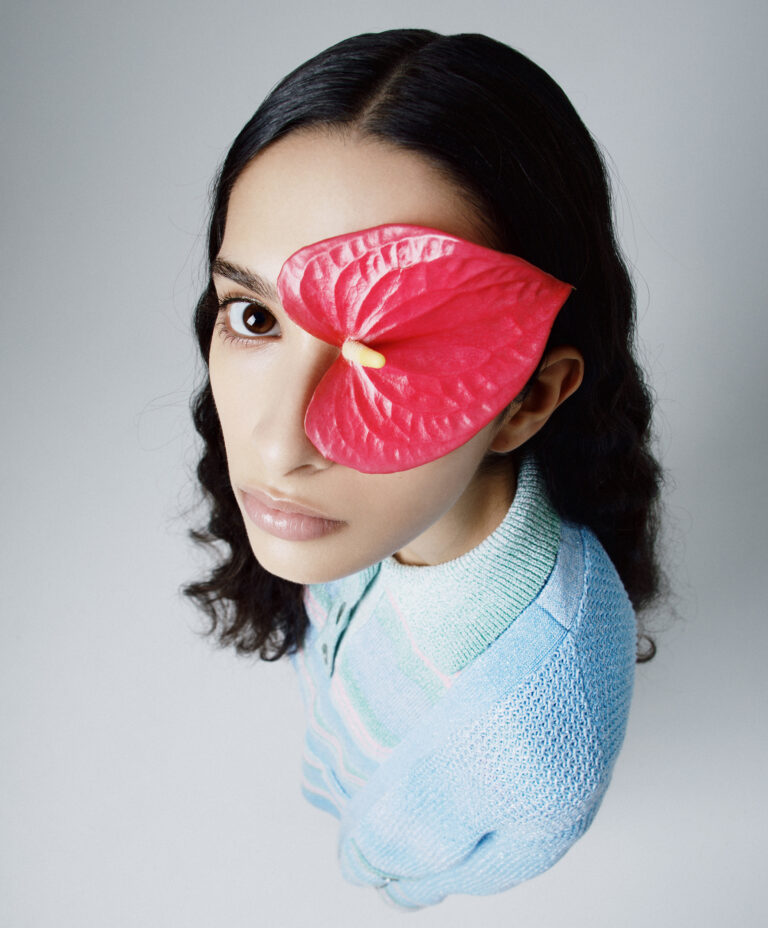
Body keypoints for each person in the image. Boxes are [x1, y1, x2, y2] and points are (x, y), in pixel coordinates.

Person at [184, 29, 665, 910]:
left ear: (526, 400)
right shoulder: (352, 521)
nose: (280, 447)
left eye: (397, 352)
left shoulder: (532, 742)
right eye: (254, 318)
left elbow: (400, 871)